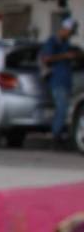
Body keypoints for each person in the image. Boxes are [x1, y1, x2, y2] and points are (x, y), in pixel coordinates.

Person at [40, 16, 81, 148]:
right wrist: (65, 56)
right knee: (61, 109)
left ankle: (61, 135)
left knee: (65, 109)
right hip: (57, 81)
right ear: (65, 29)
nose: (71, 34)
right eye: (71, 31)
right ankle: (55, 137)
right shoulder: (53, 41)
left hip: (66, 80)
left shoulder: (66, 44)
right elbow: (46, 58)